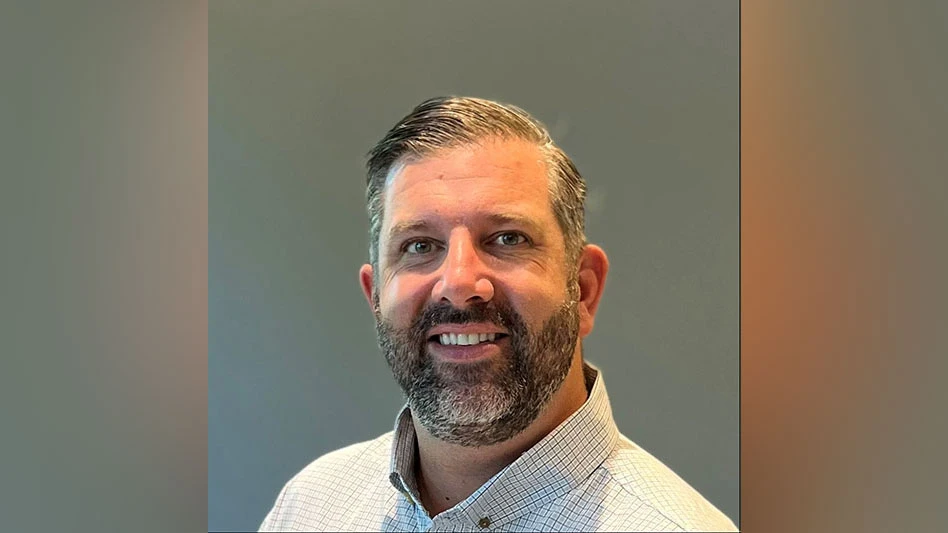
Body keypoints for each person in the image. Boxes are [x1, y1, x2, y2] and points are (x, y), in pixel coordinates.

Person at [259, 96, 736, 532]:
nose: (460, 284)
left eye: (507, 238)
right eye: (420, 246)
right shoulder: (311, 508)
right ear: (376, 297)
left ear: (583, 290)